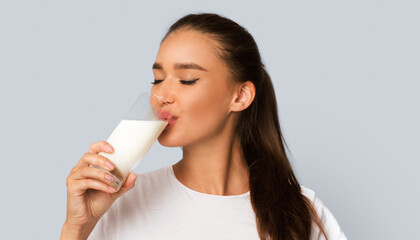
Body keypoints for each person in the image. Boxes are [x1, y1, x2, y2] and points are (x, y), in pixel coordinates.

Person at [60, 13, 347, 240]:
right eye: (157, 80)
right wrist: (77, 227)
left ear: (240, 96)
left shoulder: (300, 212)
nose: (163, 96)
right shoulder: (118, 202)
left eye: (186, 80)